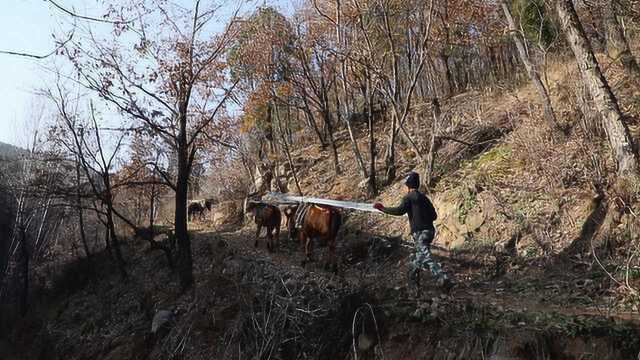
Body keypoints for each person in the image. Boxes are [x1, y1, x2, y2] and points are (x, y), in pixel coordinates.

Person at [373, 172, 452, 290]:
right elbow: (434, 216)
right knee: (417, 259)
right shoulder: (424, 198)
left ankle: (443, 278)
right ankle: (413, 286)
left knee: (426, 255)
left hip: (420, 233)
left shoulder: (409, 198)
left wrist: (382, 208)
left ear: (408, 186)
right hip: (430, 231)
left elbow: (399, 211)